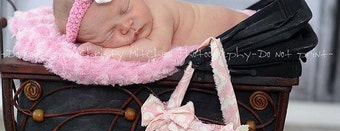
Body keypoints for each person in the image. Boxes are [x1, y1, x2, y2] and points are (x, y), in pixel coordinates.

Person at [53, 0, 251, 61]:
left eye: (125, 9)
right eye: (110, 34)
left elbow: (156, 49)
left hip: (246, 30)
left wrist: (106, 52)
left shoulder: (159, 11)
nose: (126, 25)